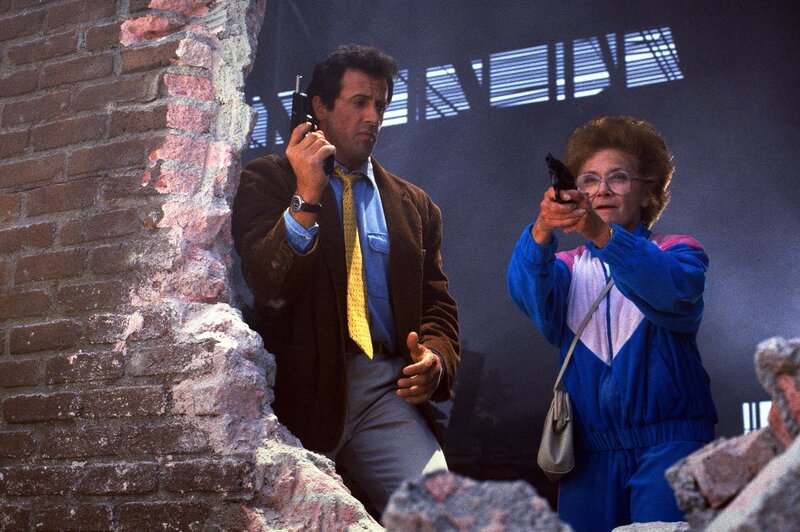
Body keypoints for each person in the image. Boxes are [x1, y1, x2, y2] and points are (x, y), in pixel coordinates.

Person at [232, 44, 459, 515]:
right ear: (319, 107)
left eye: (380, 104)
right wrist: (307, 194)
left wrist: (436, 359)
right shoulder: (268, 180)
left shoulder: (415, 207)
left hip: (386, 390)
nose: (373, 117)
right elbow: (267, 284)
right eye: (359, 102)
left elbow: (436, 304)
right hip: (299, 392)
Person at [507, 116, 717, 531]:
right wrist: (543, 228)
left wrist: (602, 235)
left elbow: (671, 290)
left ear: (648, 192)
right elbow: (525, 292)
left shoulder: (678, 251)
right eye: (589, 179)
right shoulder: (566, 268)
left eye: (618, 177)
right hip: (589, 453)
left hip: (671, 444)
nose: (601, 189)